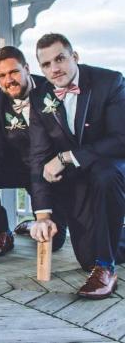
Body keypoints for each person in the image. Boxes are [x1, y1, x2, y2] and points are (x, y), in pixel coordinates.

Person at [29, 33, 125, 299]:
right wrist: (43, 214)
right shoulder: (40, 98)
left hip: (113, 167)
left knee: (105, 175)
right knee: (86, 258)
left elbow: (121, 139)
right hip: (77, 179)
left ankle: (106, 269)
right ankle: (105, 252)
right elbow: (38, 156)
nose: (54, 68)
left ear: (75, 57)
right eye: (46, 64)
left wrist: (65, 157)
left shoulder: (109, 81)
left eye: (60, 59)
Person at [0, 46, 66, 256]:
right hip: (14, 165)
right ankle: (3, 233)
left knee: (54, 242)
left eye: (13, 72)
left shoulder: (52, 89)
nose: (8, 80)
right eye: (1, 75)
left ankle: (30, 226)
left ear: (27, 68)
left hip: (48, 169)